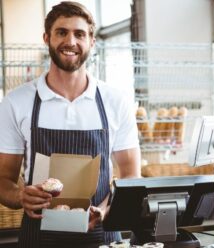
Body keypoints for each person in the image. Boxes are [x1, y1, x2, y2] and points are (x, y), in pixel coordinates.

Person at [0, 1, 141, 247]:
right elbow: (3, 179)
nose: (71, 42)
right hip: (38, 237)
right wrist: (21, 196)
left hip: (103, 235)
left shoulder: (115, 101)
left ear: (92, 42)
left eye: (79, 34)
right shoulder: (16, 102)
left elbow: (130, 176)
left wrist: (105, 211)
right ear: (47, 38)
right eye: (61, 32)